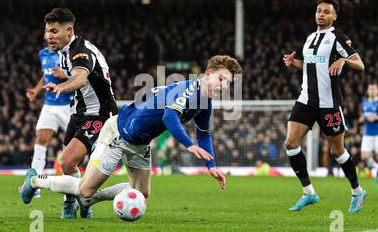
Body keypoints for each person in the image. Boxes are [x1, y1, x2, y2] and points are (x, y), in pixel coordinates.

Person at [20, 55, 242, 215]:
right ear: (208, 74)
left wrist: (211, 165)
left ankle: (90, 199)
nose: (223, 86)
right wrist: (188, 144)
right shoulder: (189, 91)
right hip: (119, 132)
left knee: (142, 192)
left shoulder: (205, 103)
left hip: (139, 141)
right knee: (83, 189)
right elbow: (169, 117)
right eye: (221, 79)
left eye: (228, 84)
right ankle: (35, 181)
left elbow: (204, 133)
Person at [21, 8, 119, 219]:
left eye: (54, 31)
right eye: (47, 31)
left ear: (69, 30)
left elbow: (81, 78)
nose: (49, 36)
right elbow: (75, 73)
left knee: (66, 161)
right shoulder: (64, 52)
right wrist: (51, 83)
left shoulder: (79, 51)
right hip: (79, 113)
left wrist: (61, 87)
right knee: (72, 164)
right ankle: (76, 203)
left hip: (100, 115)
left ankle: (36, 182)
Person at [283, 0, 366, 213]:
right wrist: (294, 63)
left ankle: (357, 191)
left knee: (337, 151)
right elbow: (311, 66)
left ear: (334, 16)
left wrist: (344, 60)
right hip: (306, 100)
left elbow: (360, 64)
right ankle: (309, 192)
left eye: (326, 12)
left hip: (329, 104)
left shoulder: (339, 38)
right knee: (291, 144)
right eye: (319, 11)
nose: (321, 14)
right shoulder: (310, 38)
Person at [26, 39, 73, 198]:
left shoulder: (67, 53)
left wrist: (64, 74)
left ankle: (75, 185)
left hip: (68, 105)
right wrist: (36, 89)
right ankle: (34, 184)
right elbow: (46, 75)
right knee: (40, 140)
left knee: (74, 145)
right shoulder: (42, 54)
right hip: (49, 104)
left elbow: (79, 75)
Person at [358, 84, 378, 186]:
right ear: (368, 91)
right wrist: (362, 118)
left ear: (377, 91)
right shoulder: (365, 103)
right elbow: (364, 115)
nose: (372, 91)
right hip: (367, 133)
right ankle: (377, 168)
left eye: (374, 89)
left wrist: (376, 117)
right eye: (370, 89)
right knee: (364, 156)